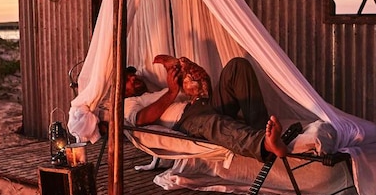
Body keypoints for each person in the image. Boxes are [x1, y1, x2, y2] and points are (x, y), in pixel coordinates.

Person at [123, 56, 290, 161]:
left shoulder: (158, 90)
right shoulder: (131, 102)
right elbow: (140, 119)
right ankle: (262, 144)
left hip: (206, 103)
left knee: (237, 66)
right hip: (187, 118)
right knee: (212, 123)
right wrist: (173, 91)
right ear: (122, 91)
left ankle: (261, 131)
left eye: (133, 75)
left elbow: (199, 87)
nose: (133, 79)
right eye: (128, 80)